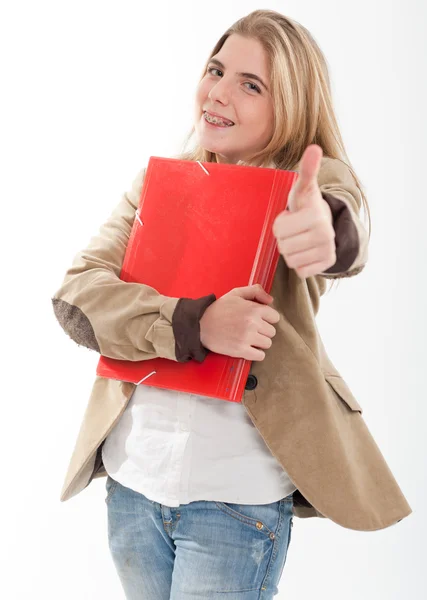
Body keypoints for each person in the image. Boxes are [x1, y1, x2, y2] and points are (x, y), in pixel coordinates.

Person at [51, 9, 412, 600]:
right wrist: (195, 323)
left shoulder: (307, 188)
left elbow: (340, 222)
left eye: (251, 85)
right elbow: (78, 295)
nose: (217, 93)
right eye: (216, 71)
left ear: (290, 105)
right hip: (132, 484)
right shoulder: (158, 184)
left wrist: (325, 229)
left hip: (234, 503)